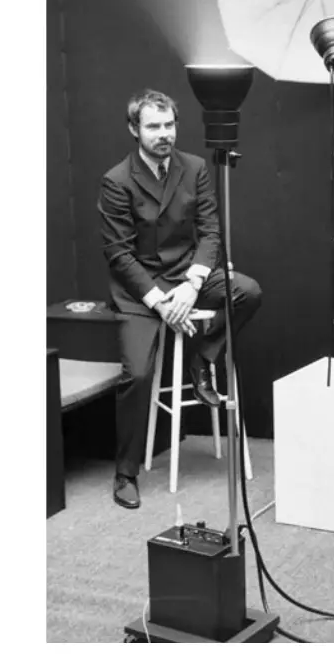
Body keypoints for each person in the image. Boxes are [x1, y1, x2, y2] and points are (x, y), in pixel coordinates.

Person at [97, 88, 262, 510]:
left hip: (188, 276)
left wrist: (191, 284)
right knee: (137, 375)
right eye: (153, 126)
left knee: (246, 292)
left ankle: (202, 357)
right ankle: (125, 472)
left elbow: (210, 232)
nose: (164, 134)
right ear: (134, 129)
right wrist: (162, 303)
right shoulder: (116, 181)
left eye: (169, 124)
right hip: (140, 291)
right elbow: (119, 255)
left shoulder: (194, 167)